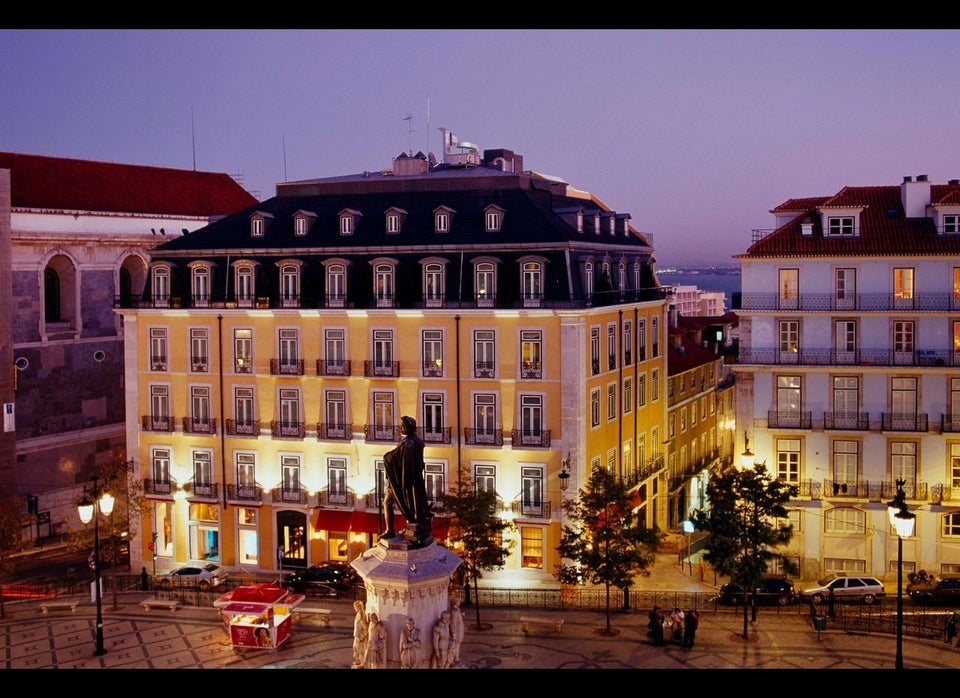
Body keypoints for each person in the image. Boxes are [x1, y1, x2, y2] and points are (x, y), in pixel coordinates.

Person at [381, 415, 432, 544]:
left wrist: (387, 456)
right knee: (413, 504)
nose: (399, 428)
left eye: (401, 426)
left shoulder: (406, 443)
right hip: (415, 480)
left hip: (400, 480)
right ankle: (411, 524)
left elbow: (393, 458)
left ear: (405, 428)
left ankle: (390, 530)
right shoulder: (418, 441)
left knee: (387, 502)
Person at [351, 601, 369, 668]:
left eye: (355, 607)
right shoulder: (358, 614)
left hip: (360, 636)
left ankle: (362, 663)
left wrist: (362, 636)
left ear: (358, 607)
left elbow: (365, 627)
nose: (354, 608)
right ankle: (358, 660)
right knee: (355, 648)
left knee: (360, 650)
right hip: (357, 634)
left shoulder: (361, 616)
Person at [448, 597, 465, 666]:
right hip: (457, 629)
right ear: (455, 602)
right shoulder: (454, 611)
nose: (459, 602)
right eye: (458, 601)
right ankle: (455, 657)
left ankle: (456, 657)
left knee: (458, 643)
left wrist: (461, 614)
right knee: (456, 644)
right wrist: (454, 633)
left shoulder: (457, 609)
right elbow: (453, 623)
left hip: (460, 628)